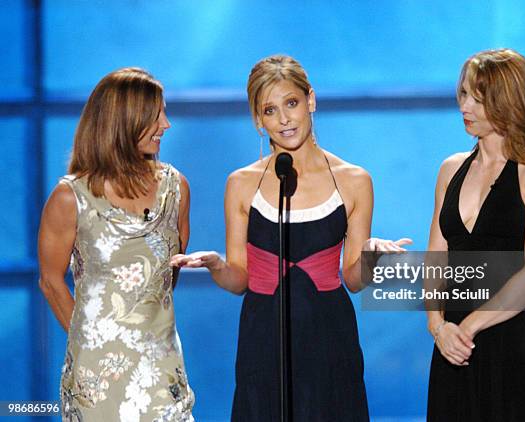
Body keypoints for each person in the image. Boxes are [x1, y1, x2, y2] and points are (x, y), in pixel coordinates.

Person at [171, 54, 410, 421]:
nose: (283, 119)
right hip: (263, 336)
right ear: (257, 119)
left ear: (311, 101)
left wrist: (371, 258)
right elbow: (240, 279)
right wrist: (217, 266)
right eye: (269, 110)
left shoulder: (354, 180)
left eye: (292, 103)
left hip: (329, 335)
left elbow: (352, 279)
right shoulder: (240, 183)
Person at [38, 68, 195, 421]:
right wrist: (97, 340)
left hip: (162, 372)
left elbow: (166, 278)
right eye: (155, 116)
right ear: (122, 121)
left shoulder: (176, 190)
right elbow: (50, 282)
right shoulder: (70, 198)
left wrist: (143, 337)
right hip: (98, 380)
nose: (166, 124)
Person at [425, 49, 525, 421]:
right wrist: (438, 327)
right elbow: (437, 257)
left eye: (478, 99)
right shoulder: (450, 169)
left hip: (511, 343)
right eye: (463, 95)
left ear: (508, 102)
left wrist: (468, 326)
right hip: (453, 345)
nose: (465, 106)